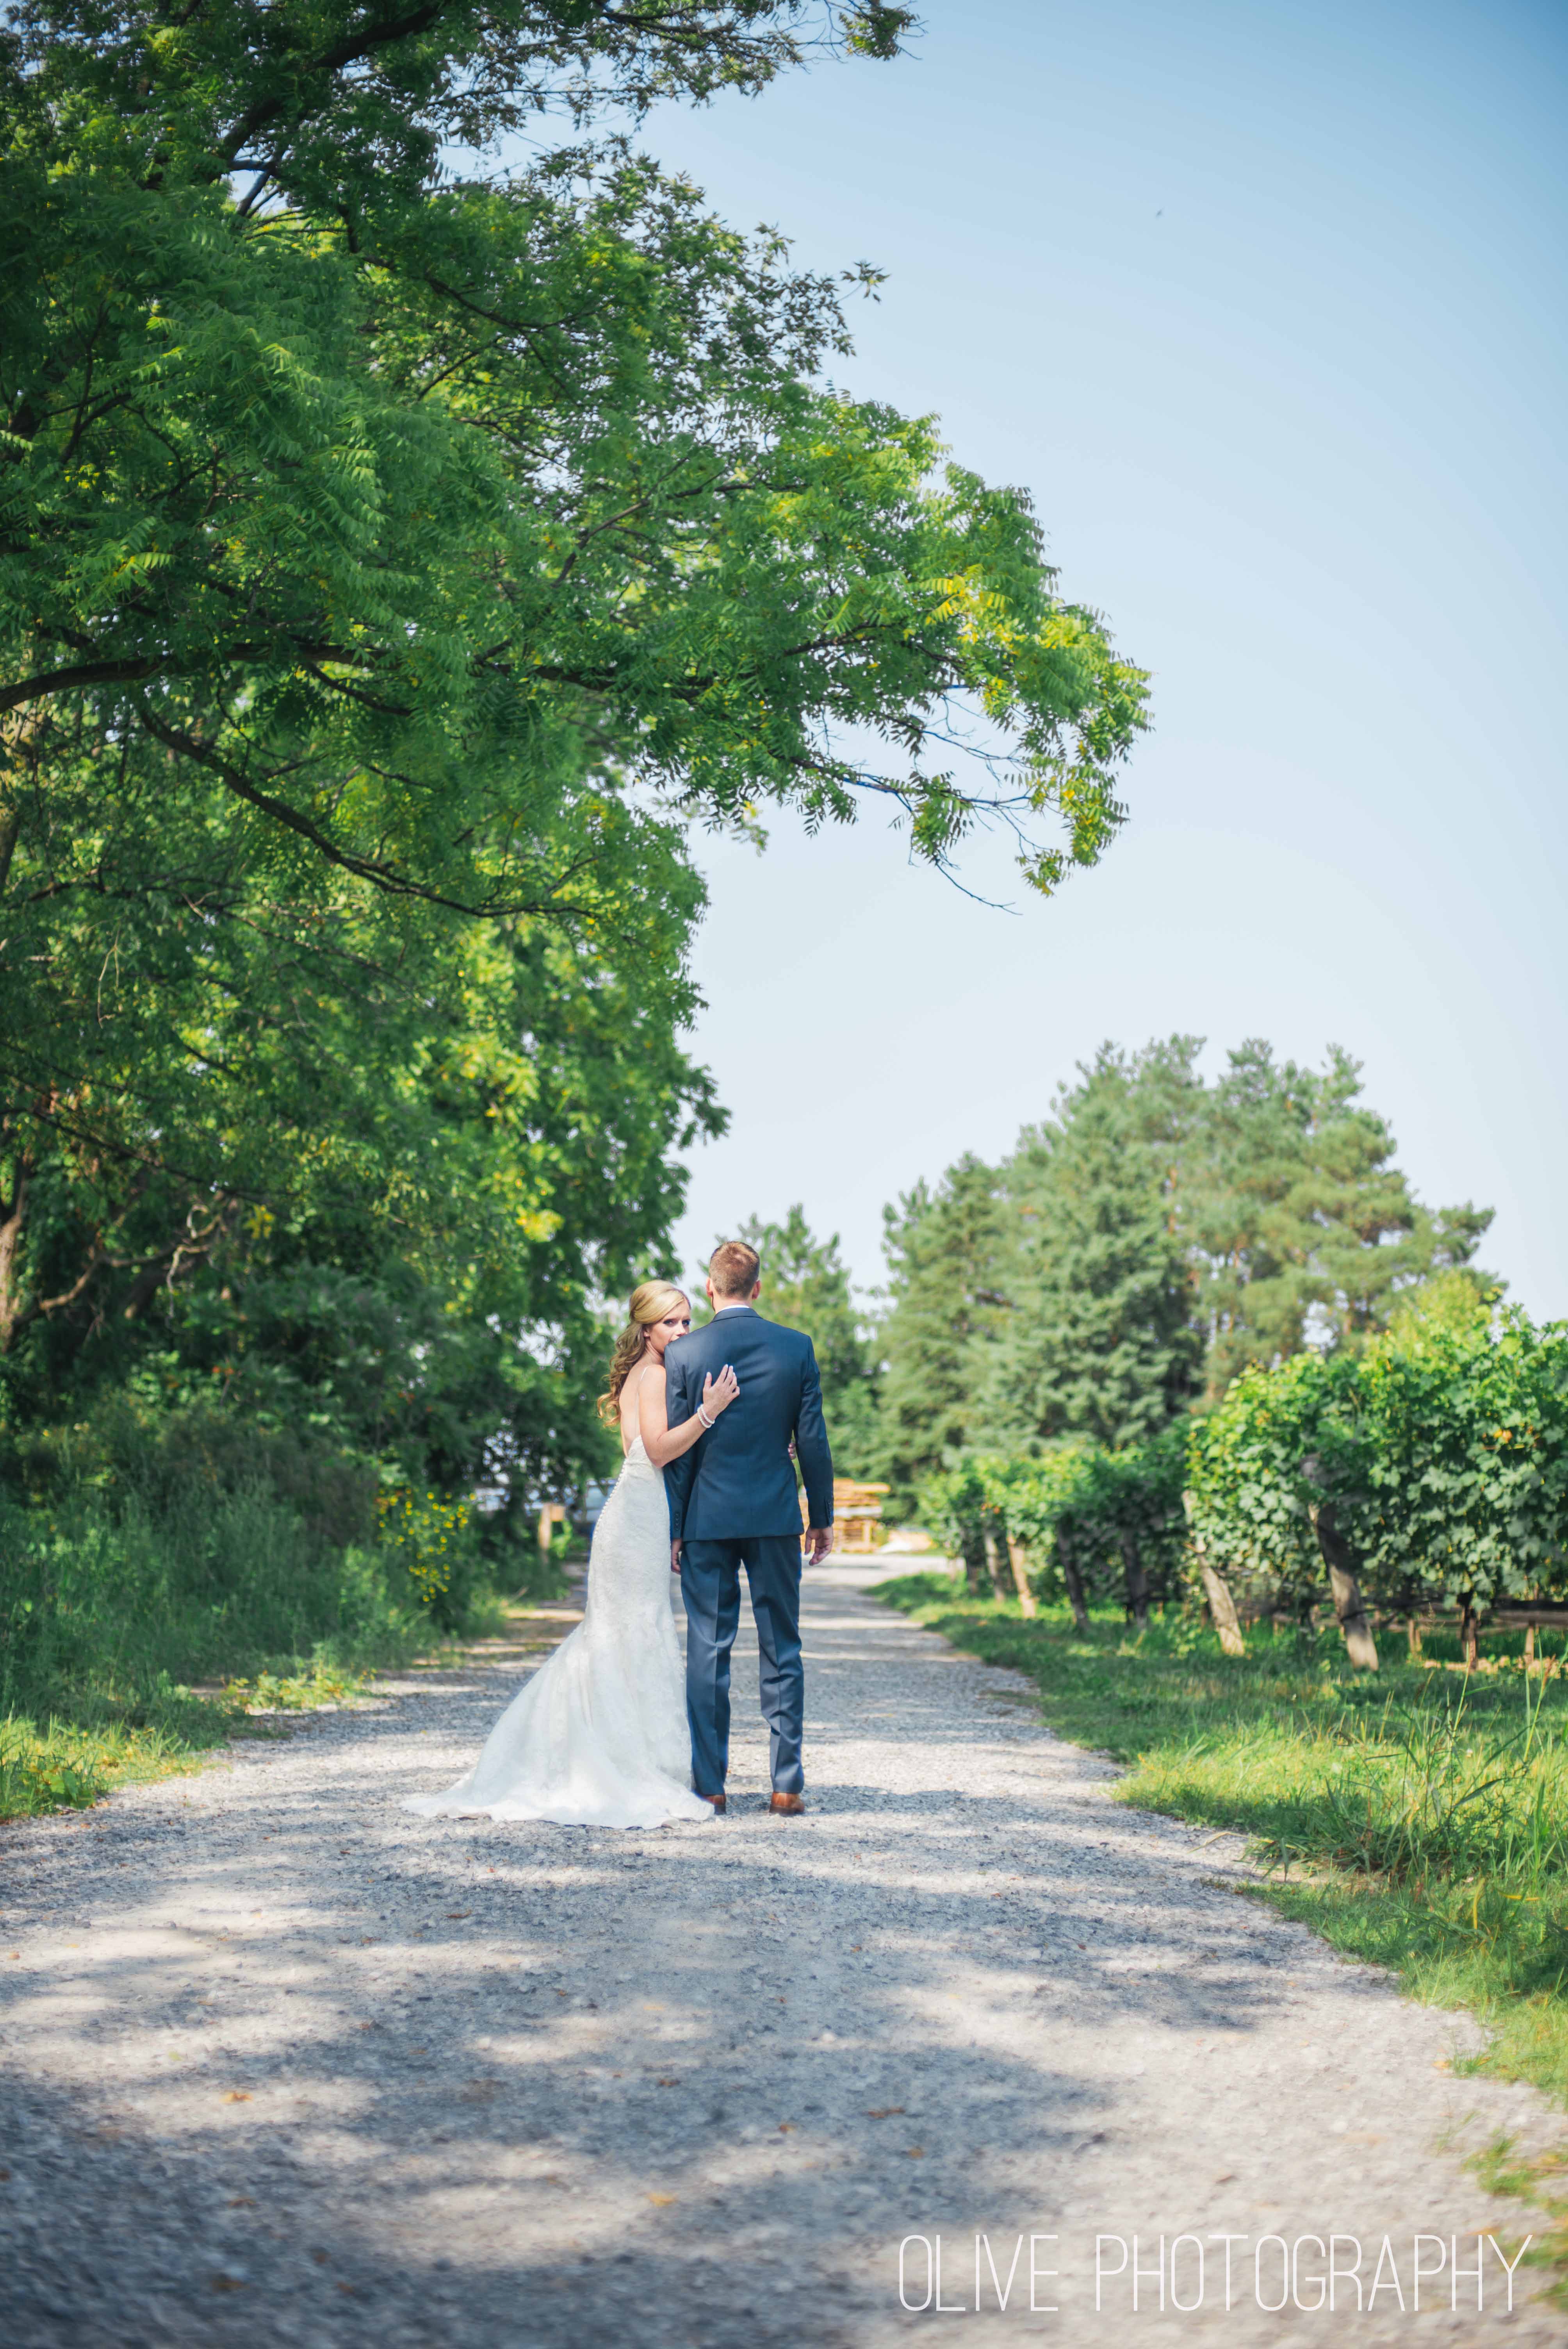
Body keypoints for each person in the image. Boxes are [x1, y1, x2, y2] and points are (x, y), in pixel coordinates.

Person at [402, 1282, 738, 1829]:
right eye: (672, 1323)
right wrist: (709, 1413)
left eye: (687, 1322)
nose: (682, 1332)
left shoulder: (648, 1373)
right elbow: (656, 1449)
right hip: (634, 1517)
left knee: (629, 1632)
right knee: (627, 1631)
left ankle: (623, 1750)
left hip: (639, 1512)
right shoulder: (652, 1374)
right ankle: (616, 1759)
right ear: (648, 1329)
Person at [663, 1240, 834, 1817]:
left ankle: (710, 1786)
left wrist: (675, 1527)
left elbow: (681, 1453)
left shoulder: (687, 1354)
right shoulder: (796, 1348)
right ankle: (786, 1785)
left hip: (707, 1520)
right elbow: (811, 1440)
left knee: (708, 1651)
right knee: (782, 1646)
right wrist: (823, 1517)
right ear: (757, 1288)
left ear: (710, 1288)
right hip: (775, 1518)